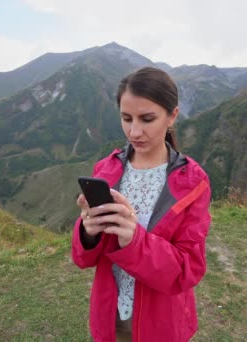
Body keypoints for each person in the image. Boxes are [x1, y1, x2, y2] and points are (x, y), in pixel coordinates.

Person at [71, 67, 212, 342]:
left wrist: (134, 240)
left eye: (147, 119)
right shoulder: (106, 169)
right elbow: (83, 258)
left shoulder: (193, 183)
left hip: (161, 322)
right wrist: (87, 232)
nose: (134, 131)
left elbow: (189, 269)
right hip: (110, 312)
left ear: (172, 116)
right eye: (126, 118)